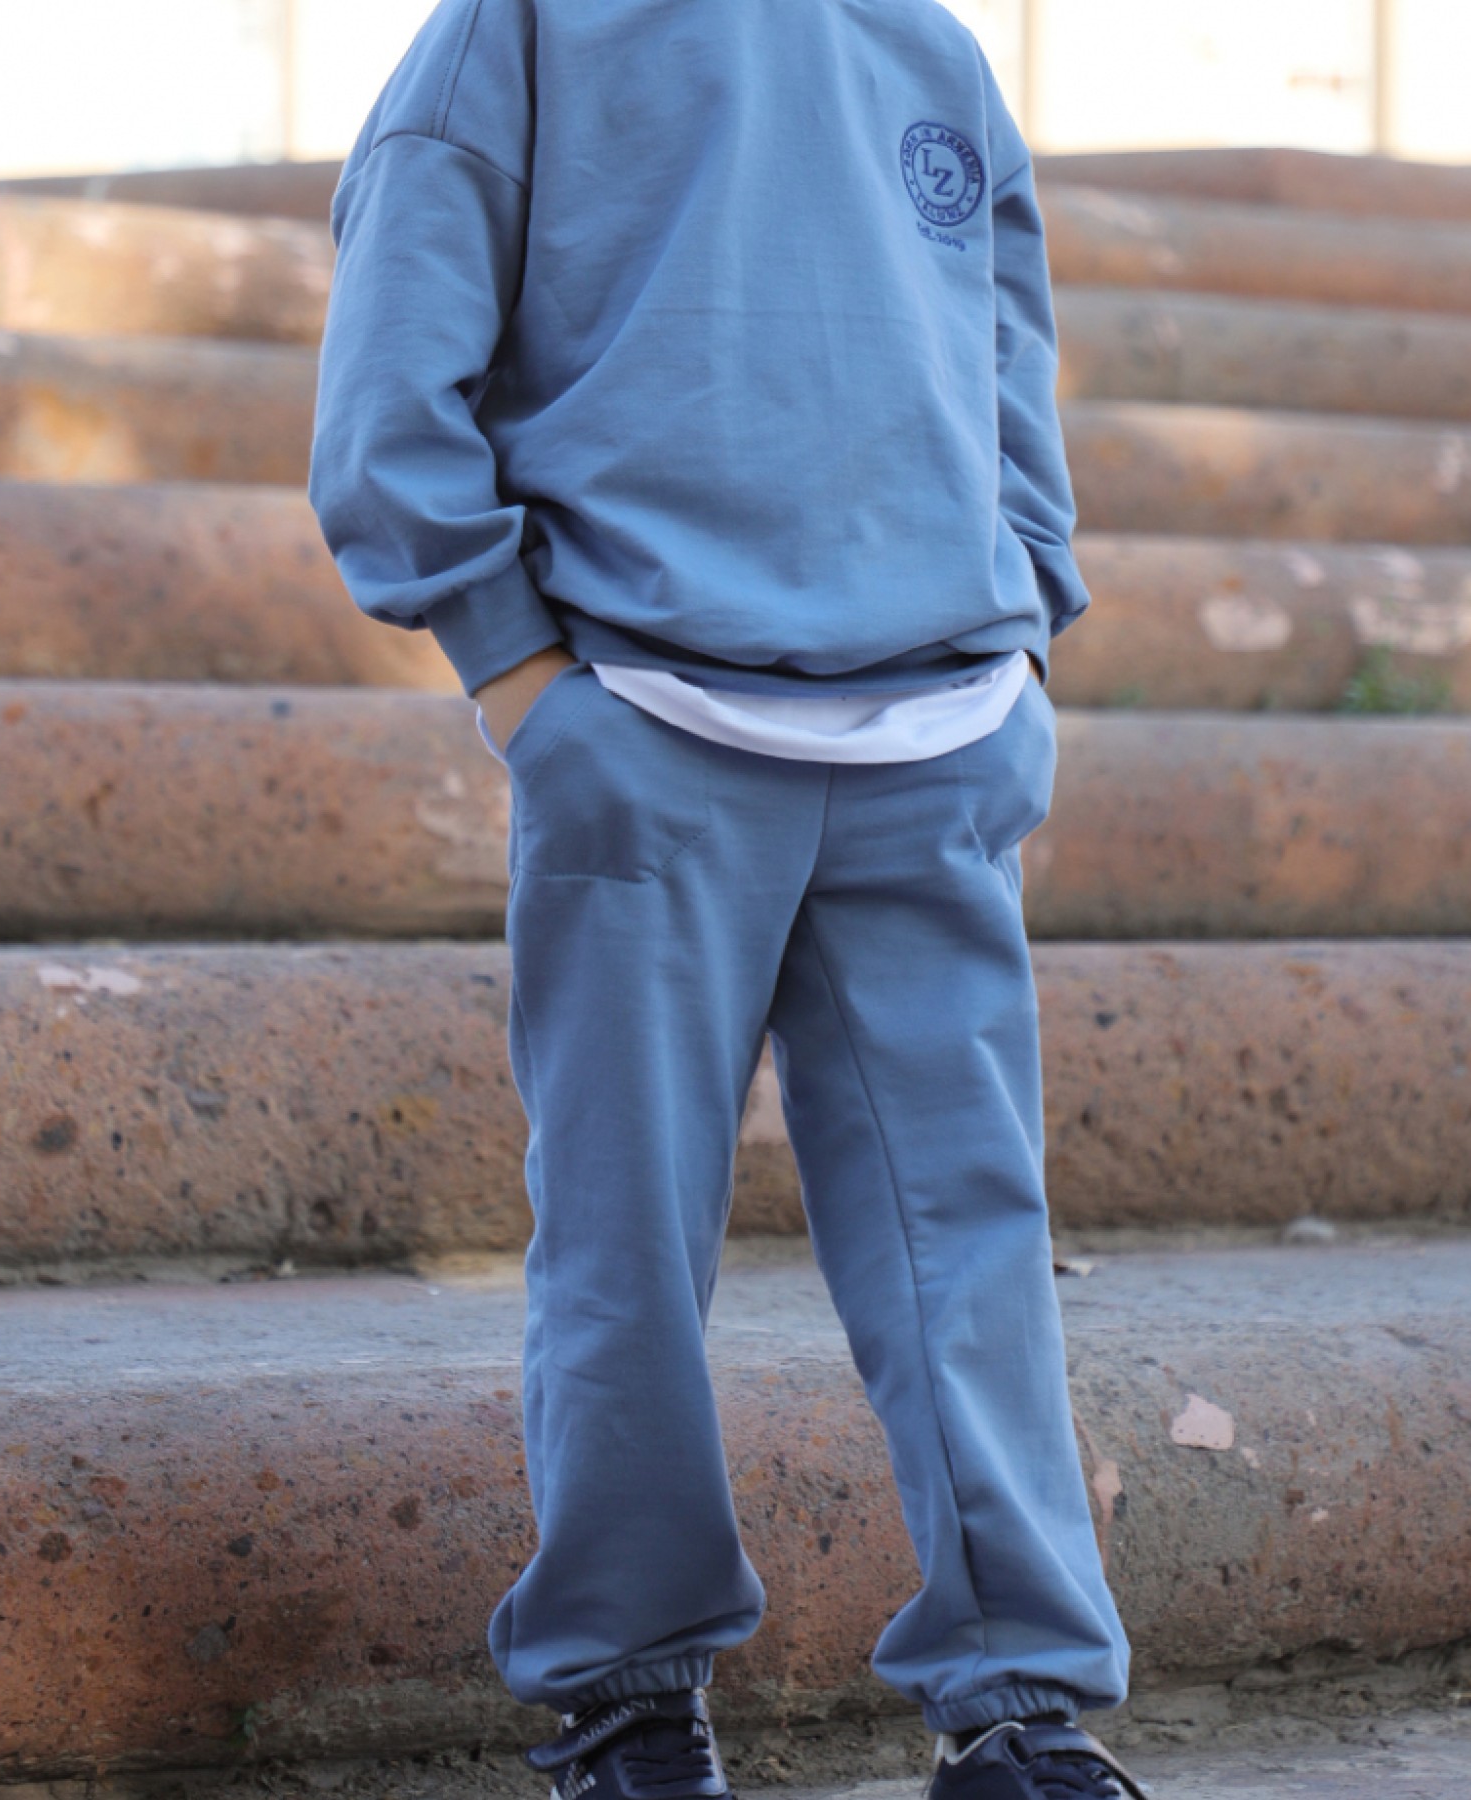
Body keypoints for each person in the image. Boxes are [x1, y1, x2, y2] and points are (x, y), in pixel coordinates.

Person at [307, 1, 1144, 1796]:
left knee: (971, 1244)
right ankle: (627, 1695)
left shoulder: (928, 44)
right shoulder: (519, 27)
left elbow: (1004, 342)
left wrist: (1026, 626)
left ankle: (1021, 1709)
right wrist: (522, 679)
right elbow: (390, 372)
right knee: (624, 1240)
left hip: (938, 729)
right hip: (648, 723)